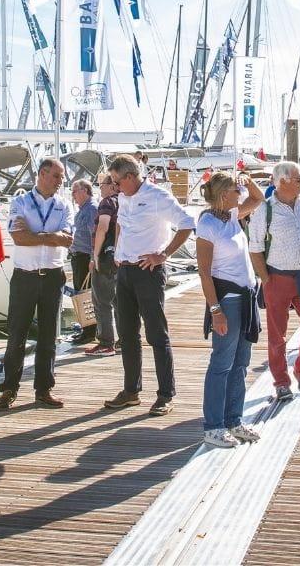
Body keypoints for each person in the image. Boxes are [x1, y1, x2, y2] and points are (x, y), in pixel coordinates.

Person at [106, 153, 195, 416]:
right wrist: (118, 254)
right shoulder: (123, 197)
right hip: (124, 271)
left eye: (117, 181)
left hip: (149, 271)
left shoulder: (158, 197)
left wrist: (163, 254)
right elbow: (121, 225)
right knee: (128, 334)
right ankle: (131, 391)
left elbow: (187, 223)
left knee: (156, 334)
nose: (115, 187)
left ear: (130, 177)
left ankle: (165, 394)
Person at [0, 158, 74, 410]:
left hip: (52, 275)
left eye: (61, 177)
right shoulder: (20, 202)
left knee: (49, 335)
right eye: (56, 176)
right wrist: (51, 236)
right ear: (42, 174)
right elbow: (18, 238)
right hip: (25, 276)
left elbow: (68, 240)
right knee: (17, 333)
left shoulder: (64, 205)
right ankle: (9, 388)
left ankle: (43, 389)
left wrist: (36, 235)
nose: (60, 181)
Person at [195, 172, 266, 448]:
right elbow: (204, 273)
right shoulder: (208, 224)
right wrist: (215, 310)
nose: (241, 194)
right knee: (222, 363)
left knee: (240, 364)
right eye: (237, 190)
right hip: (228, 301)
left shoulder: (233, 216)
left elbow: (258, 198)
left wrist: (247, 181)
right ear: (224, 195)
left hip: (246, 298)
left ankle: (233, 420)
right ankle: (213, 426)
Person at [248, 161, 300, 402]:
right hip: (278, 278)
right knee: (276, 335)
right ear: (282, 182)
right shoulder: (264, 210)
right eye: (299, 179)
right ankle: (281, 381)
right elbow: (255, 248)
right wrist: (267, 280)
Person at [85, 174, 121, 355]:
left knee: (101, 301)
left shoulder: (108, 203)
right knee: (119, 301)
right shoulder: (125, 202)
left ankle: (106, 343)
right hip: (121, 258)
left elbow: (102, 227)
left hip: (106, 258)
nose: (100, 188)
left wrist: (95, 256)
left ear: (112, 186)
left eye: (102, 184)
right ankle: (124, 340)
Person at [69, 179, 99, 344]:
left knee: (85, 295)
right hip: (78, 256)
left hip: (84, 257)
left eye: (75, 191)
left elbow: (94, 235)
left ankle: (89, 332)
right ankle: (86, 329)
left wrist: (93, 258)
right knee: (81, 294)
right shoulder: (83, 210)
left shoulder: (91, 209)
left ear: (85, 191)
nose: (72, 194)